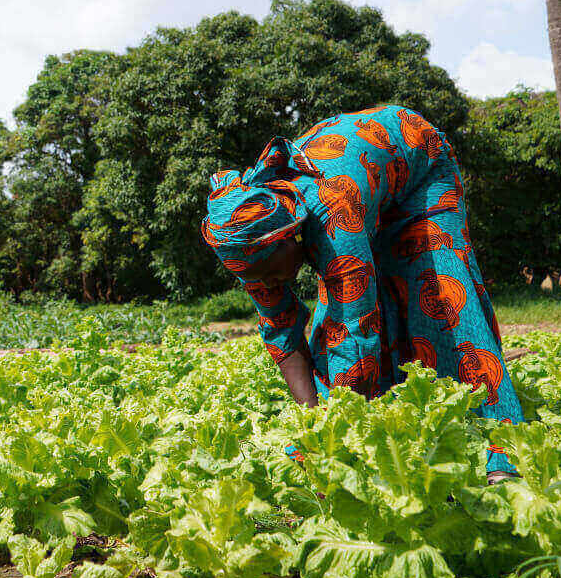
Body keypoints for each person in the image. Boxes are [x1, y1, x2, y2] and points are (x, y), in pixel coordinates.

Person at [202, 105, 523, 483]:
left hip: (417, 162)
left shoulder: (333, 209)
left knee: (439, 296)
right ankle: (405, 424)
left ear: (291, 236)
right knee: (351, 323)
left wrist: (338, 431)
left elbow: (355, 325)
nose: (270, 283)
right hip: (365, 177)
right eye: (256, 281)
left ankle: (495, 446)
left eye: (272, 272)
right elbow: (280, 331)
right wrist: (314, 424)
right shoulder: (246, 243)